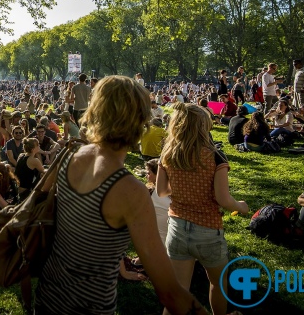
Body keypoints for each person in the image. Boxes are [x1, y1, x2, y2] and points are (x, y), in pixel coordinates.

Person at [36, 76, 208, 315]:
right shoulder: (130, 191)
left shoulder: (68, 154)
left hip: (47, 297)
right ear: (139, 121)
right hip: (88, 307)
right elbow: (169, 291)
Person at [156, 103, 250, 315]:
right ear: (202, 127)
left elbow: (161, 191)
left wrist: (182, 188)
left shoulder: (168, 154)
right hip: (208, 230)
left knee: (179, 290)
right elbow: (223, 199)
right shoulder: (216, 157)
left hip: (177, 228)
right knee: (218, 282)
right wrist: (241, 207)